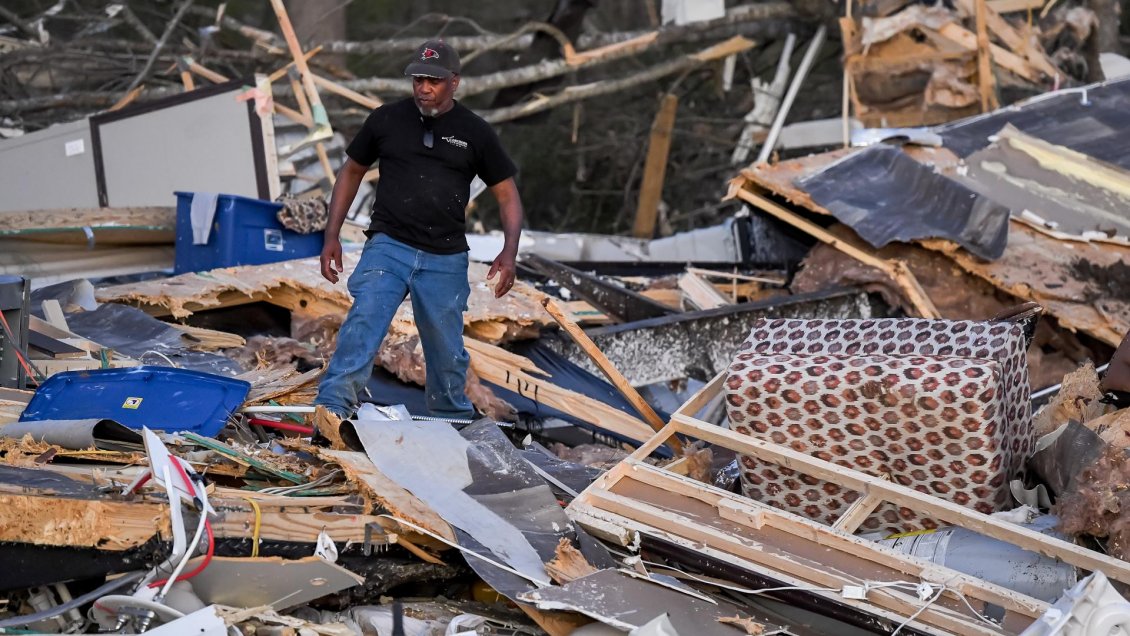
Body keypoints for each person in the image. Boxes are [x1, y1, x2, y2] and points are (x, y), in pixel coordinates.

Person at [313, 40, 524, 421]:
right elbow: (352, 171)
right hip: (388, 245)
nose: (424, 88)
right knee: (364, 322)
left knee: (446, 349)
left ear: (454, 82)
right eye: (418, 79)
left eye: (434, 81)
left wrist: (509, 252)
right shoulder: (386, 120)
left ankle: (451, 418)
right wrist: (332, 235)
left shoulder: (475, 132)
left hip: (445, 256)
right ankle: (332, 408)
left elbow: (507, 194)